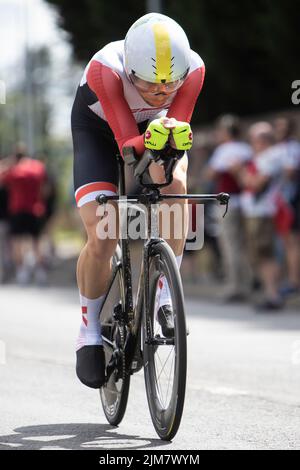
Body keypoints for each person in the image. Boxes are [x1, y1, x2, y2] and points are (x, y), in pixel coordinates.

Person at [71, 13, 205, 388]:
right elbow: (130, 147)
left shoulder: (195, 70)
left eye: (170, 87)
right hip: (99, 131)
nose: (163, 94)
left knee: (176, 187)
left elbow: (176, 133)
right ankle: (89, 328)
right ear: (131, 72)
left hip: (158, 129)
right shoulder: (105, 69)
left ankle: (164, 291)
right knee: (104, 231)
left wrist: (164, 178)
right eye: (151, 86)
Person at [236, 123, 283, 310]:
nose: (252, 143)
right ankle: (269, 293)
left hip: (264, 211)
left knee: (265, 254)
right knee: (260, 254)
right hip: (256, 211)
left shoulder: (271, 157)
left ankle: (272, 294)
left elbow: (255, 184)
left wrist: (240, 171)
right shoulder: (262, 158)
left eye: (254, 140)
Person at [205, 115, 252, 301]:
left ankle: (234, 286)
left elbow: (210, 174)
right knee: (244, 244)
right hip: (246, 201)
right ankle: (249, 282)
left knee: (230, 245)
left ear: (226, 132)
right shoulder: (247, 149)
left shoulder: (224, 150)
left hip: (227, 203)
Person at [0, 144, 48, 285]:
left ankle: (22, 273)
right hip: (35, 209)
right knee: (37, 242)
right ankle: (41, 273)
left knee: (17, 243)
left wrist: (7, 162)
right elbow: (46, 187)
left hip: (18, 210)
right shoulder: (37, 168)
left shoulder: (14, 171)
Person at [273, 117, 300, 296]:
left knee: (292, 242)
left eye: (282, 126)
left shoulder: (291, 148)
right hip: (279, 201)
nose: (278, 129)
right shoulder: (281, 148)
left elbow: (290, 172)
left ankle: (294, 281)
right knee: (284, 243)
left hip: (290, 200)